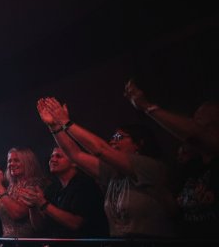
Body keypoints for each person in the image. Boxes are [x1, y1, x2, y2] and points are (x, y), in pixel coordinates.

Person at [37, 96, 176, 237]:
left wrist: (65, 122)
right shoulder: (113, 172)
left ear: (138, 144)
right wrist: (55, 127)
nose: (113, 140)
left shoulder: (149, 167)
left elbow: (101, 150)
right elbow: (75, 154)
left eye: (119, 137)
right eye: (113, 137)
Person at [124, 80, 218, 237]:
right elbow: (176, 209)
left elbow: (194, 133)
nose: (191, 125)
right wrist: (156, 188)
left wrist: (147, 107)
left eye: (199, 122)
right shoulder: (192, 166)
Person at [21, 146, 108, 238]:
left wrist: (43, 204)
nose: (52, 160)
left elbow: (76, 224)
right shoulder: (52, 188)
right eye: (52, 156)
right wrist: (32, 206)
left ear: (74, 162)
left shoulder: (85, 185)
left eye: (58, 156)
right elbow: (40, 227)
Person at [0, 147, 46, 238]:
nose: (11, 164)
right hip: (7, 244)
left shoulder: (35, 185)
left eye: (16, 160)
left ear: (28, 163)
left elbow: (17, 213)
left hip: (28, 246)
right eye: (9, 161)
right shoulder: (9, 187)